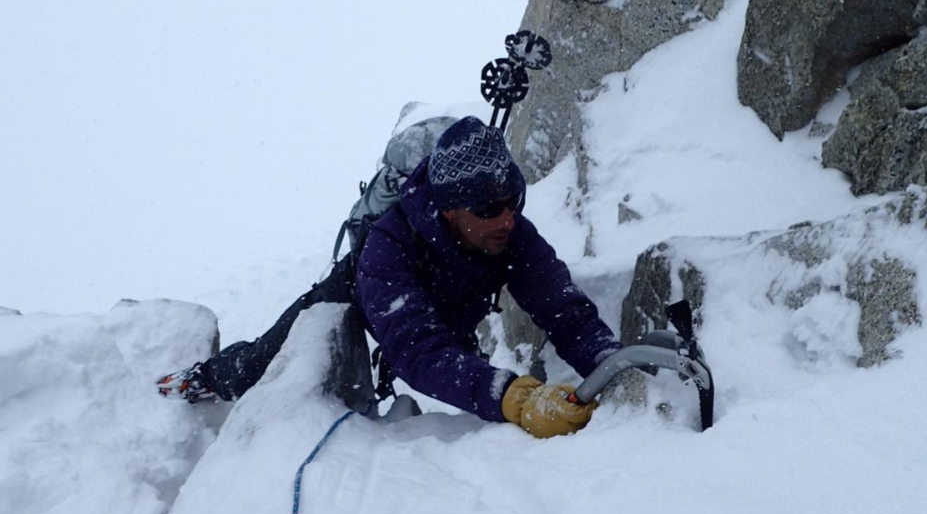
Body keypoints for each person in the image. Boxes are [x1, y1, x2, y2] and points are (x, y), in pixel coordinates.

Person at [159, 116, 622, 438]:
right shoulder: (389, 244)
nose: (505, 219)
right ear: (448, 209)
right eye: (487, 208)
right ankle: (202, 380)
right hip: (357, 298)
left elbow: (563, 309)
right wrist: (514, 398)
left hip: (448, 311)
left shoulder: (510, 233)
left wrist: (611, 364)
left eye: (512, 202)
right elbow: (416, 349)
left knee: (464, 375)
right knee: (262, 360)